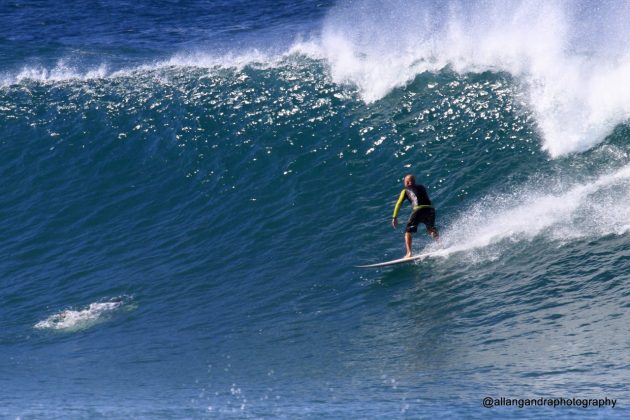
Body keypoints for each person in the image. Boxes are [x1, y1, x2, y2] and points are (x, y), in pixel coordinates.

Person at [391, 175, 439, 258]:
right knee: (430, 229)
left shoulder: (405, 190)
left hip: (418, 210)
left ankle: (409, 253)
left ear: (407, 182)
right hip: (430, 209)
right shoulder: (422, 187)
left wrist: (394, 217)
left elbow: (398, 203)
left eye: (405, 182)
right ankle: (440, 245)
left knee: (408, 231)